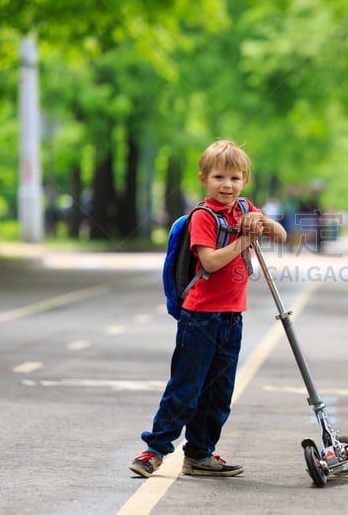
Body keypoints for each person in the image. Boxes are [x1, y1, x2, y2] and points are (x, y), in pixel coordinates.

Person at [130, 139, 287, 478]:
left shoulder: (244, 208)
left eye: (234, 178)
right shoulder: (203, 216)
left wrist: (261, 222)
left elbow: (281, 235)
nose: (227, 185)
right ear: (204, 179)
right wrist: (245, 239)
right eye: (219, 178)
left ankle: (200, 453)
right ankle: (153, 450)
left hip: (232, 318)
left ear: (244, 180)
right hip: (200, 317)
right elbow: (212, 262)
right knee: (186, 387)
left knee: (219, 393)